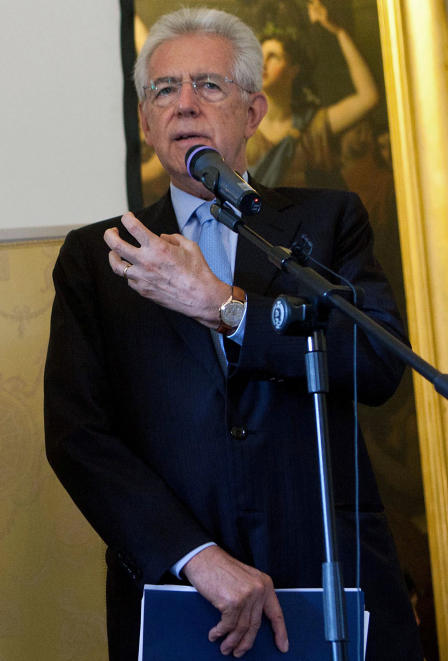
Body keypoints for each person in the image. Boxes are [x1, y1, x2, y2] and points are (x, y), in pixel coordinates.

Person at [44, 7, 422, 660]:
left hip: (327, 578)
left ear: (253, 112)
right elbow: (79, 437)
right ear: (144, 120)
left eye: (208, 85)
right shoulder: (99, 256)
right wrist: (196, 556)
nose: (184, 103)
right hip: (184, 597)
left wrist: (229, 307)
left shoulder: (326, 222)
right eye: (164, 89)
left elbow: (380, 366)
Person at [246, 0, 379, 189]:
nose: (263, 63)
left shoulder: (312, 127)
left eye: (273, 56)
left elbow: (368, 97)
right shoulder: (242, 129)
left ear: (294, 70)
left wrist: (339, 33)